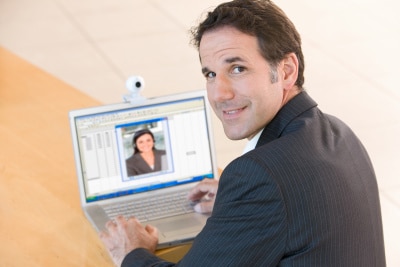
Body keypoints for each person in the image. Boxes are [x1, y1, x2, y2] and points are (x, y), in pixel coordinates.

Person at [100, 0, 386, 266]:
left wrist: (132, 251)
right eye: (210, 74)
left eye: (237, 68)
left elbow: (274, 187)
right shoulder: (339, 131)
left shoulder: (259, 177)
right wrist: (237, 203)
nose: (219, 94)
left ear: (286, 71)